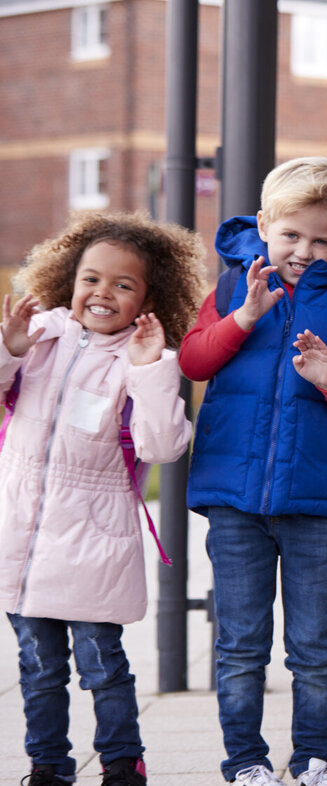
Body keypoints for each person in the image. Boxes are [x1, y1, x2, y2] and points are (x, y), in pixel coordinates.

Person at [179, 157, 327, 786]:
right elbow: (195, 360)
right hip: (234, 500)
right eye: (291, 235)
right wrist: (242, 320)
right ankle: (245, 762)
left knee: (315, 648)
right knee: (238, 647)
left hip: (317, 501)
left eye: (323, 241)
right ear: (263, 225)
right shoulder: (234, 288)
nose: (305, 251)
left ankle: (316, 757)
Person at [0, 211, 205, 786]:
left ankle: (121, 763)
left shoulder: (145, 359)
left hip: (93, 538)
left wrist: (147, 370)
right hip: (24, 535)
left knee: (101, 665)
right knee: (37, 669)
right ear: (69, 276)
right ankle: (48, 766)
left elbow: (163, 446)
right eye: (92, 278)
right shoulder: (40, 335)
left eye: (123, 283)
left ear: (148, 295)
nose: (103, 293)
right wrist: (9, 350)